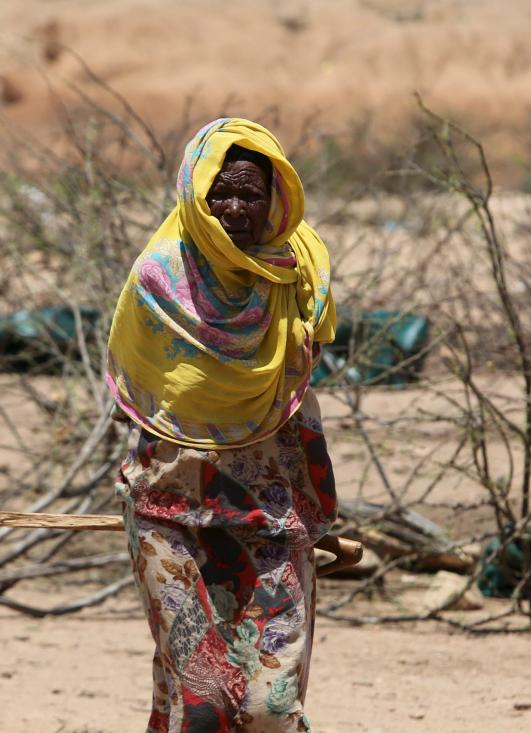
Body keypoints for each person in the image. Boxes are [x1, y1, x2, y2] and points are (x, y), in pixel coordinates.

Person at [104, 117, 338, 733]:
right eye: (219, 193)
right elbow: (146, 399)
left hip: (273, 516)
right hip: (168, 512)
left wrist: (318, 504)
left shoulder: (300, 275)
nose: (234, 208)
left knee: (269, 708)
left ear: (276, 199)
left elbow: (302, 403)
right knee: (204, 702)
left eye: (250, 193)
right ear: (193, 196)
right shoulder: (159, 280)